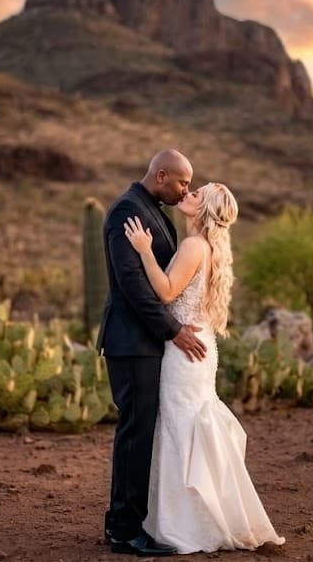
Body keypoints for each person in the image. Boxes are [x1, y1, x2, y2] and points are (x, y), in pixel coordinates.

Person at [124, 182, 285, 554]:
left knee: (180, 430)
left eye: (197, 194)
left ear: (205, 209)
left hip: (184, 353)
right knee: (188, 427)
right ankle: (198, 517)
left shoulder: (193, 246)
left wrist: (145, 251)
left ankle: (185, 525)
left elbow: (165, 292)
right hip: (199, 347)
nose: (188, 194)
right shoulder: (207, 247)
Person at [97, 149, 208, 557]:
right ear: (161, 175)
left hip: (145, 342)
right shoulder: (128, 210)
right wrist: (173, 331)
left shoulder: (152, 208)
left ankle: (120, 525)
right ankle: (126, 531)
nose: (186, 190)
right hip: (132, 343)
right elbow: (132, 285)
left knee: (139, 432)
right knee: (135, 433)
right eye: (181, 182)